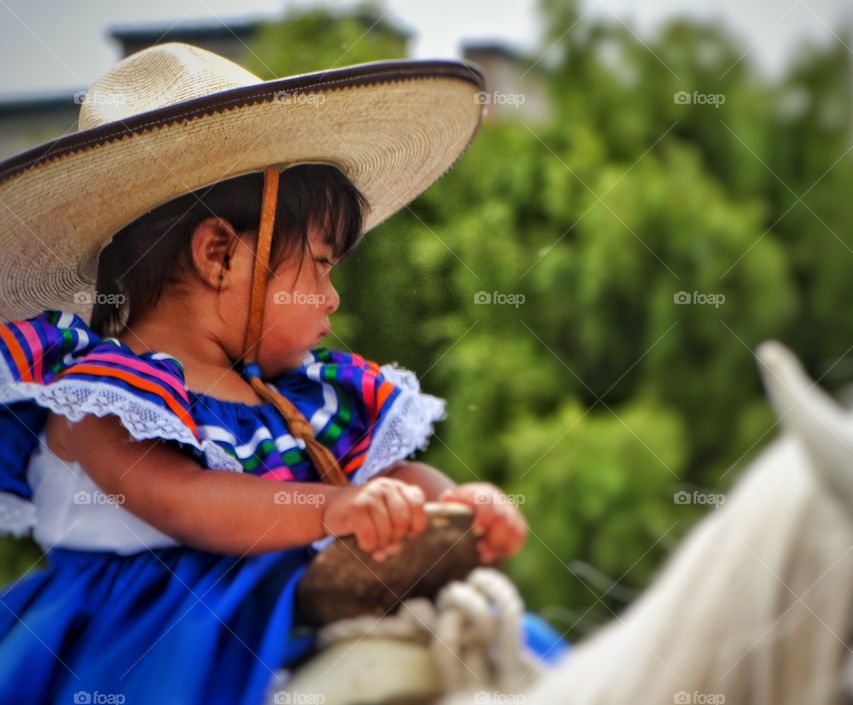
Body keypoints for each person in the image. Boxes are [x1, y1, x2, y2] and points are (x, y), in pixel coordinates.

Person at [0, 42, 567, 704]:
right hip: (147, 641)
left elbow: (372, 480)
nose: (331, 297)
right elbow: (185, 501)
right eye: (322, 264)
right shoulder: (99, 397)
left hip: (275, 603)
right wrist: (333, 509)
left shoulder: (288, 400)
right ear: (219, 255)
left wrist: (445, 502)